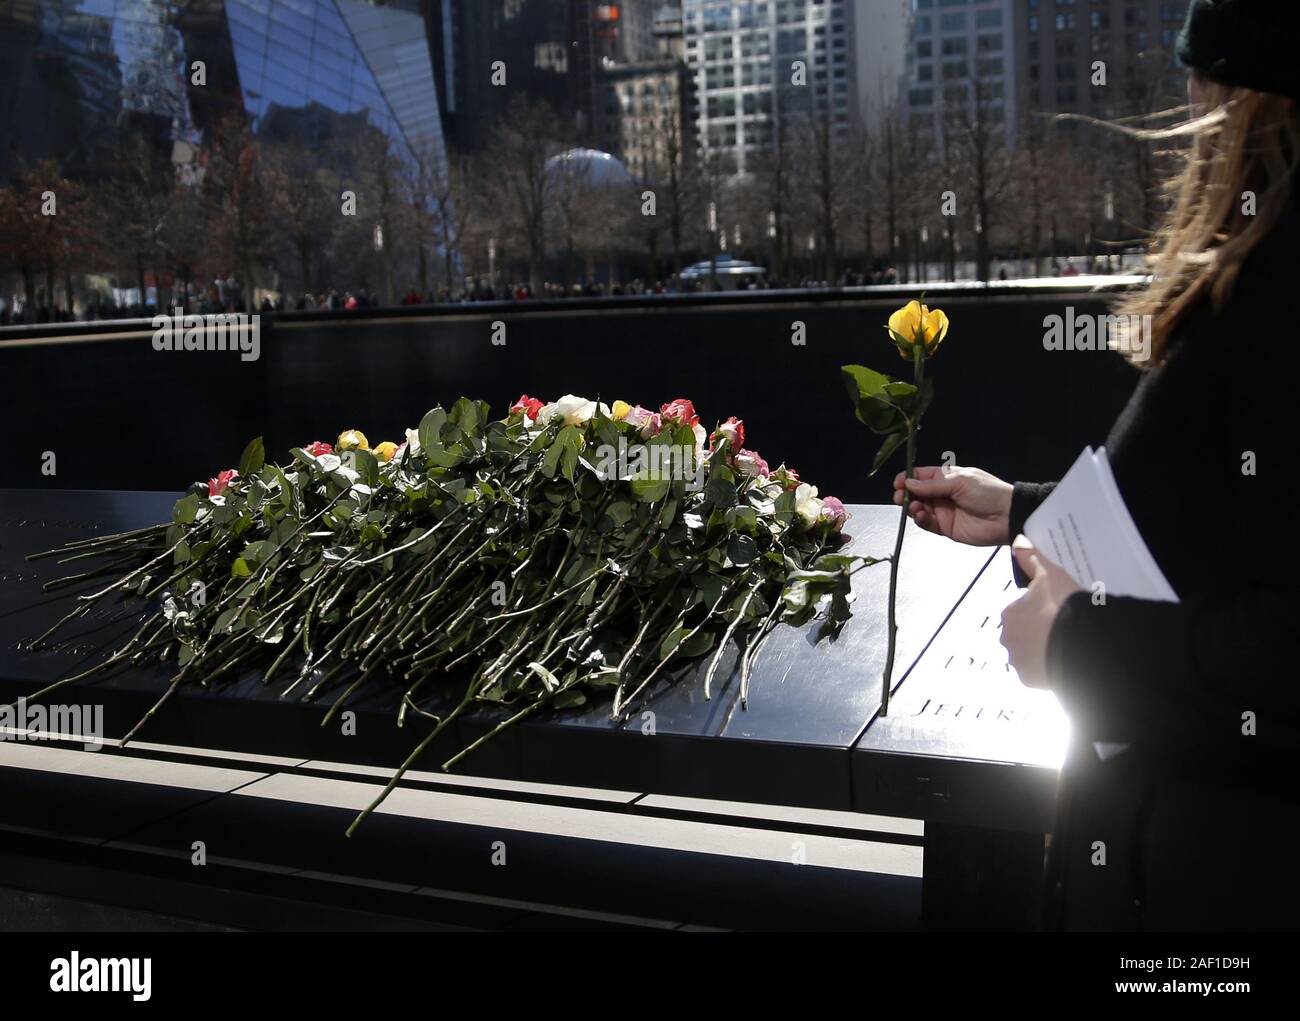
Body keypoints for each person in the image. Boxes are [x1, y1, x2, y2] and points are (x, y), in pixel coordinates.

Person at [893, 0, 1300, 931]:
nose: (1189, 96)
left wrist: (1076, 646)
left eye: (1201, 72)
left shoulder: (1277, 287)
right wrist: (1025, 511)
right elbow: (1234, 524)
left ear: (1242, 98)